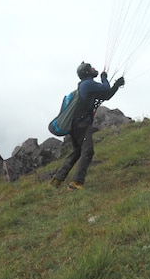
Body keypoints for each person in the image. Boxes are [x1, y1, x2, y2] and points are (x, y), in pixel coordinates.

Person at [51, 61, 125, 191]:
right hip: (81, 125)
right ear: (86, 72)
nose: (94, 68)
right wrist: (104, 77)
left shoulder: (86, 86)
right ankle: (76, 182)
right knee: (88, 151)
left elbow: (106, 95)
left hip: (76, 125)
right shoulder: (87, 84)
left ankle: (58, 179)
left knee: (78, 151)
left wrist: (116, 86)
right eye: (91, 68)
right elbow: (105, 88)